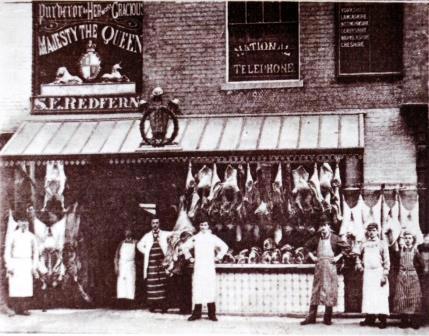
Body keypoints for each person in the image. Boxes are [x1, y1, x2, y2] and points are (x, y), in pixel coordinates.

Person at [301, 219, 350, 325]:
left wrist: (338, 257)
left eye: (325, 225)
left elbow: (347, 248)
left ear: (329, 227)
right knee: (315, 292)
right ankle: (311, 317)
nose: (323, 228)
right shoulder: (316, 238)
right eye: (322, 225)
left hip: (330, 269)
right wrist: (312, 257)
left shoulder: (335, 238)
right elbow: (306, 247)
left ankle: (327, 318)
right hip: (319, 268)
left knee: (329, 292)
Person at [181, 221, 228, 321]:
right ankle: (196, 313)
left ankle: (212, 314)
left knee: (210, 288)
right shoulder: (195, 238)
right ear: (199, 226)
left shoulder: (213, 238)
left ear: (208, 226)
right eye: (201, 225)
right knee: (198, 288)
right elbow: (184, 247)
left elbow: (224, 247)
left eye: (205, 225)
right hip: (199, 267)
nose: (203, 227)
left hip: (209, 267)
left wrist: (218, 257)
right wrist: (190, 258)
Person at [355, 223, 390, 329]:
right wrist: (359, 264)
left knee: (380, 296)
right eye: (369, 230)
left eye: (374, 230)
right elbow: (357, 255)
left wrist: (385, 274)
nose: (371, 232)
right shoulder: (364, 244)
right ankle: (370, 318)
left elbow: (387, 260)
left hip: (379, 272)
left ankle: (382, 319)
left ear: (377, 231)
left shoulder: (382, 243)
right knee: (369, 295)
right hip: (368, 273)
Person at [4, 219, 38, 315]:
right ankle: (15, 308)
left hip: (27, 262)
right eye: (21, 221)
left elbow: (36, 252)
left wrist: (34, 265)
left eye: (25, 222)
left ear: (28, 223)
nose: (23, 224)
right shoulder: (13, 235)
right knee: (16, 286)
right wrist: (9, 265)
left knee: (26, 286)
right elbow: (7, 251)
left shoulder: (31, 236)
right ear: (18, 223)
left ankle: (24, 308)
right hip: (15, 262)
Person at [137, 218, 171, 312]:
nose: (155, 225)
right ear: (151, 224)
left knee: (162, 284)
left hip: (161, 263)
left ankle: (163, 306)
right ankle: (153, 306)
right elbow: (139, 245)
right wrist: (146, 251)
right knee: (152, 284)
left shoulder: (165, 234)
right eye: (153, 223)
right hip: (151, 263)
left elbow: (175, 234)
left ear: (159, 224)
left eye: (157, 223)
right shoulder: (147, 236)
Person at [393, 231, 424, 329]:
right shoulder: (400, 251)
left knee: (414, 298)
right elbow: (395, 263)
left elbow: (422, 264)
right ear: (403, 239)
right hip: (402, 276)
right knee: (402, 298)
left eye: (410, 238)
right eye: (406, 238)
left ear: (413, 240)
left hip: (413, 276)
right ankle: (404, 320)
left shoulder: (415, 251)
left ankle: (415, 321)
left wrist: (414, 271)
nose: (408, 240)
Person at [114, 228, 137, 309]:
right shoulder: (121, 243)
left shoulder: (135, 242)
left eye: (129, 231)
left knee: (130, 283)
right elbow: (116, 256)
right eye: (126, 231)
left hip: (130, 265)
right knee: (122, 284)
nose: (128, 233)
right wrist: (116, 266)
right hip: (122, 265)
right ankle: (122, 303)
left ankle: (130, 303)